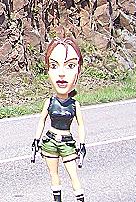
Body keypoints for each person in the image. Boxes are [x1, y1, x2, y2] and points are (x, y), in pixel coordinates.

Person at [32, 37, 87, 202]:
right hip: (50, 141)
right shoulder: (49, 102)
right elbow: (42, 121)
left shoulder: (74, 104)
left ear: (78, 70)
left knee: (73, 174)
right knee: (53, 174)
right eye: (54, 66)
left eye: (70, 66)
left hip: (67, 143)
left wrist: (82, 144)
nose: (61, 74)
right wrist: (36, 139)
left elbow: (81, 125)